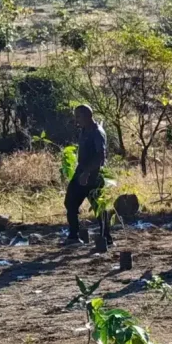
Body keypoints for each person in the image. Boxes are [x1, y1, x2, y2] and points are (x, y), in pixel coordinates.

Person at [63, 104, 108, 247]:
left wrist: (87, 173)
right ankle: (73, 236)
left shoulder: (97, 132)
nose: (76, 120)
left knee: (98, 206)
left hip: (92, 174)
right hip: (81, 172)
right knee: (70, 202)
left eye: (79, 116)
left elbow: (101, 157)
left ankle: (106, 237)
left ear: (88, 116)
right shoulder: (84, 130)